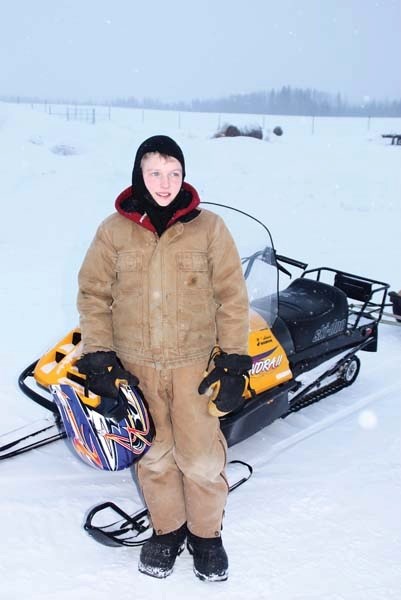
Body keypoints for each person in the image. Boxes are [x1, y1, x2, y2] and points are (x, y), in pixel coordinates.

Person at [76, 135, 251, 581]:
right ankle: (167, 530)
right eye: (155, 172)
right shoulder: (113, 231)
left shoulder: (209, 228)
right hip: (137, 367)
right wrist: (99, 356)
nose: (165, 182)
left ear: (184, 176)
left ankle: (207, 535)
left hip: (195, 365)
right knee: (153, 455)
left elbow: (232, 297)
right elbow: (94, 295)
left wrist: (233, 359)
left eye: (174, 173)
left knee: (201, 459)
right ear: (139, 174)